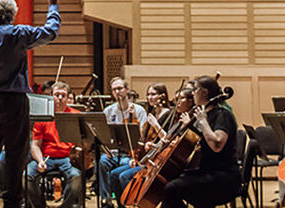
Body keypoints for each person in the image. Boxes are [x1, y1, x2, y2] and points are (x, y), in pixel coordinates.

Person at [0, 0, 62, 208]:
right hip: (14, 102)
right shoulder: (19, 33)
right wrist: (53, 4)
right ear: (12, 14)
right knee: (15, 156)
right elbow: (51, 31)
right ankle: (12, 203)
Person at [161, 75, 238, 208]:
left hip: (223, 176)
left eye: (195, 90)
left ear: (204, 92)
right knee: (168, 184)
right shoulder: (201, 114)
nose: (192, 93)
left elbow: (217, 145)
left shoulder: (222, 115)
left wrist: (203, 122)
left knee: (172, 189)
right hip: (204, 171)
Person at [27, 82, 84, 208]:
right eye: (56, 95)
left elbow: (84, 141)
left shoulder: (76, 115)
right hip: (47, 158)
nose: (59, 98)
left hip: (68, 159)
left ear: (68, 97)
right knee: (26, 177)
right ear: (51, 96)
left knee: (76, 178)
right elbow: (36, 145)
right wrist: (40, 160)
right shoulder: (44, 116)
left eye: (63, 95)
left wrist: (79, 149)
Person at [100, 77, 151, 206]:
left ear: (127, 90)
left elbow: (142, 137)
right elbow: (104, 135)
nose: (117, 92)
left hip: (130, 154)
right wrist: (107, 148)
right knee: (102, 162)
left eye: (120, 88)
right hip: (113, 152)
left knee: (121, 170)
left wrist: (133, 118)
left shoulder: (139, 110)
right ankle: (106, 200)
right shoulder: (108, 111)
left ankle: (127, 201)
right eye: (114, 89)